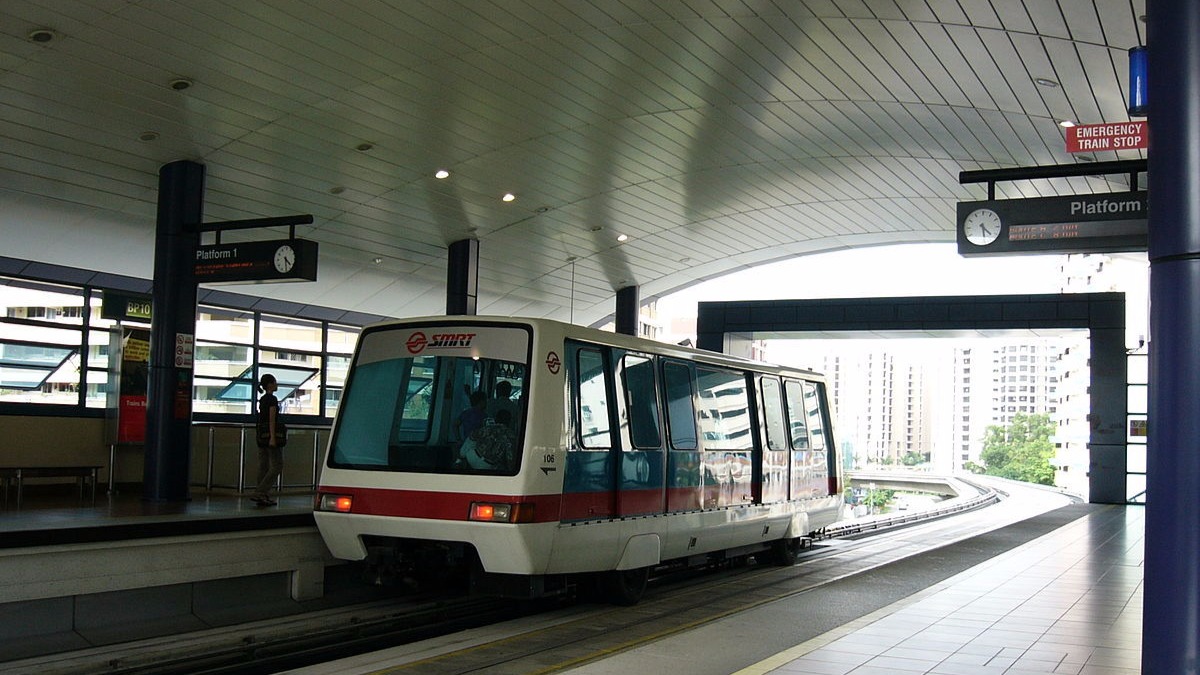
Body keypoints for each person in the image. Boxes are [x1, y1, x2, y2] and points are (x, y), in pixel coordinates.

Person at [253, 373, 284, 506]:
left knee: (263, 465)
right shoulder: (272, 399)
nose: (277, 385)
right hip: (270, 436)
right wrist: (272, 437)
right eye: (275, 382)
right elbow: (272, 419)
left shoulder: (263, 399)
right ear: (270, 384)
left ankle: (262, 496)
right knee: (277, 465)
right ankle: (260, 492)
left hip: (261, 436)